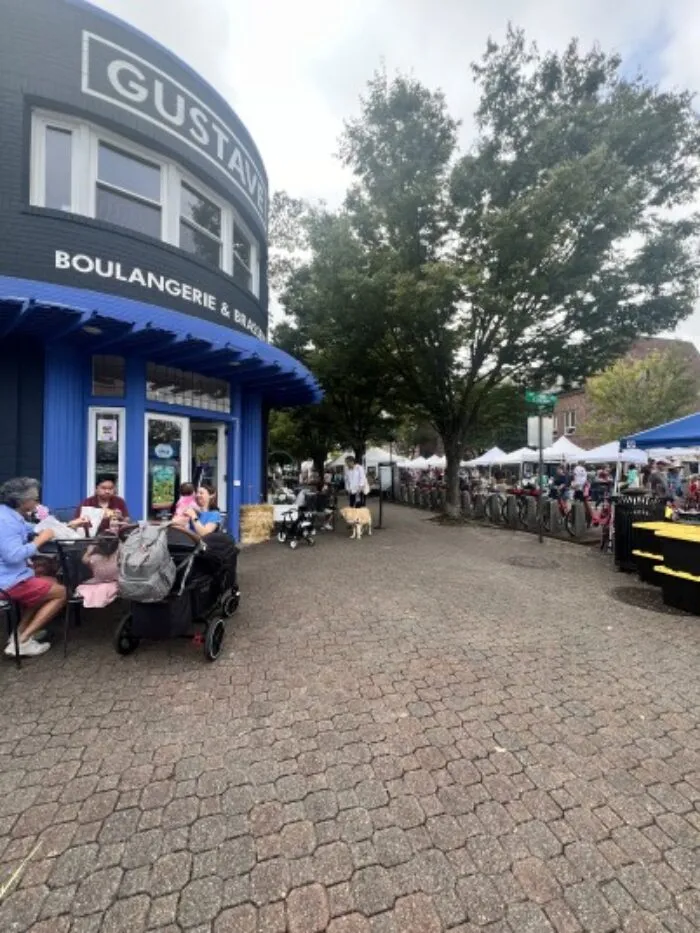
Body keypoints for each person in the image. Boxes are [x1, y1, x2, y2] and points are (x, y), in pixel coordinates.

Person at [0, 477, 67, 657]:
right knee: (61, 593)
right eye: (35, 499)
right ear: (23, 501)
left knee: (49, 583)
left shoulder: (9, 514)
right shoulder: (5, 522)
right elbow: (13, 556)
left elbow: (31, 528)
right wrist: (41, 540)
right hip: (7, 582)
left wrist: (65, 526)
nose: (37, 503)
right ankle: (22, 643)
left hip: (13, 577)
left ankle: (19, 634)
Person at [76, 534, 119, 609]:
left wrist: (89, 551)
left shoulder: (93, 558)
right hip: (116, 583)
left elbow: (84, 560)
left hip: (97, 582)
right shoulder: (119, 556)